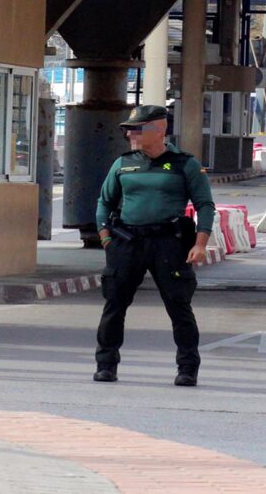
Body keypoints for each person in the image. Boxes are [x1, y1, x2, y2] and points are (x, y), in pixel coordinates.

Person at [93, 105, 215, 387]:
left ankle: (187, 368)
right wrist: (105, 237)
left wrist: (200, 243)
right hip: (128, 242)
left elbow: (204, 205)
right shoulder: (123, 163)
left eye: (138, 128)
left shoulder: (185, 163)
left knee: (178, 306)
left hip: (169, 244)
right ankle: (106, 365)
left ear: (160, 130)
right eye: (129, 129)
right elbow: (105, 201)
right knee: (114, 305)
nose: (131, 134)